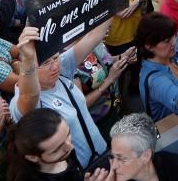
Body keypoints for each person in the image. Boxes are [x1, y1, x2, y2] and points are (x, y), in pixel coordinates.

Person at [12, 22, 110, 169]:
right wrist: (28, 58)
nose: (55, 66)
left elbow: (93, 36)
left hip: (101, 153)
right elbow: (29, 95)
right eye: (45, 63)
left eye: (56, 57)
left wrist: (115, 3)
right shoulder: (24, 100)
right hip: (79, 174)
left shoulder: (60, 71)